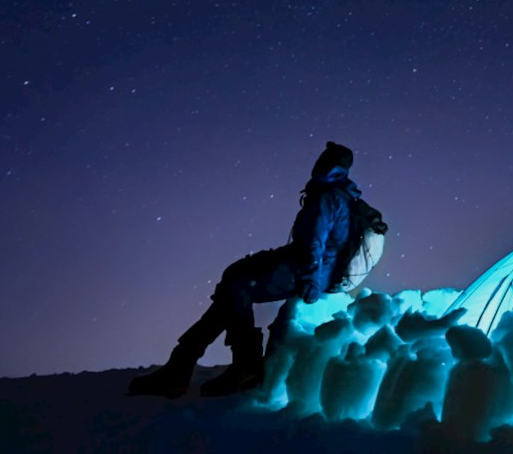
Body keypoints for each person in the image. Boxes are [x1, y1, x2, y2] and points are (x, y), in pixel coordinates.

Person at [129, 141, 385, 397]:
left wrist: (311, 283)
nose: (317, 163)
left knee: (237, 287)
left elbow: (314, 244)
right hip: (310, 266)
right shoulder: (340, 195)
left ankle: (236, 367)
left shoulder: (328, 197)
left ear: (330, 165)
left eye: (323, 159)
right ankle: (183, 367)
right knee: (234, 278)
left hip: (311, 272)